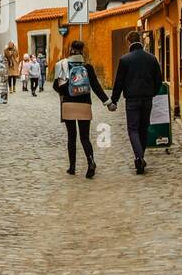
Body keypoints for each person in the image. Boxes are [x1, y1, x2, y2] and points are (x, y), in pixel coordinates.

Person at [108, 30, 163, 174]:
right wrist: (152, 92)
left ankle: (139, 157)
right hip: (147, 99)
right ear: (139, 40)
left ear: (129, 42)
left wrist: (114, 100)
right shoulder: (151, 58)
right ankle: (141, 157)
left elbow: (118, 82)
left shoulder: (125, 60)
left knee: (133, 129)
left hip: (132, 100)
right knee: (143, 128)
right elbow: (159, 80)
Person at [53, 39, 108, 178]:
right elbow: (96, 86)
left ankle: (72, 167)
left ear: (71, 50)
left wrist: (64, 93)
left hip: (68, 104)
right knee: (85, 137)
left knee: (71, 137)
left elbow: (55, 86)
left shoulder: (63, 65)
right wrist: (107, 101)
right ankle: (91, 162)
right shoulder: (88, 67)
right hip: (85, 104)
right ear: (82, 51)